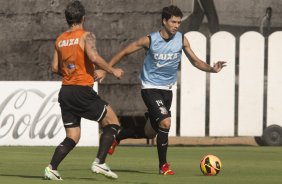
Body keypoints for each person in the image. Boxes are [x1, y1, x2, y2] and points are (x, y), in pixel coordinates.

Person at [96, 5, 226, 175]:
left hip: (167, 91)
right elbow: (125, 52)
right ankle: (163, 166)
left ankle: (118, 136)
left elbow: (195, 61)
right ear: (164, 21)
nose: (176, 25)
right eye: (173, 21)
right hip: (150, 88)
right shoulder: (150, 40)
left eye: (179, 22)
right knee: (166, 122)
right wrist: (106, 69)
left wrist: (211, 69)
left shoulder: (181, 39)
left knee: (150, 132)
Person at [44, 1, 124, 180]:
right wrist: (112, 70)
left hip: (65, 92)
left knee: (73, 136)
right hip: (81, 90)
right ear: (83, 18)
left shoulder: (60, 39)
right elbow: (93, 57)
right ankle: (100, 162)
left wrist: (73, 71)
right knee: (113, 123)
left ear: (67, 19)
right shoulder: (86, 35)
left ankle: (52, 168)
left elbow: (55, 68)